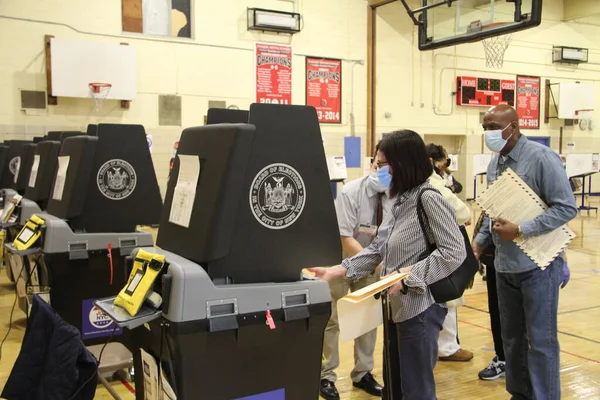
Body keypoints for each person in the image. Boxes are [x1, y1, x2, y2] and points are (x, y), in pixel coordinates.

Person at [310, 130, 466, 400]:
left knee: (415, 389)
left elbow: (454, 251)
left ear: (402, 163)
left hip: (421, 309)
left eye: (382, 164)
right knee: (396, 385)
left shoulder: (428, 198)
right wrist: (338, 270)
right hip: (397, 308)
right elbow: (377, 248)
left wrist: (408, 278)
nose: (378, 169)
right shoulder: (400, 199)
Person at [473, 105, 577, 400]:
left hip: (538, 266)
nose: (488, 133)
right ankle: (519, 394)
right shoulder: (495, 163)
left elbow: (567, 207)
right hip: (505, 266)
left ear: (513, 126)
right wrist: (479, 242)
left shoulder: (542, 159)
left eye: (493, 126)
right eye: (484, 127)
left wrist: (521, 229)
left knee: (541, 341)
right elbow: (494, 211)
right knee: (513, 340)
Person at [320, 143, 391, 400]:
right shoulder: (352, 191)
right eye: (380, 165)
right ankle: (325, 376)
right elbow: (345, 237)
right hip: (341, 260)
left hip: (373, 262)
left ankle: (363, 373)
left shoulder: (397, 194)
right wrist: (373, 262)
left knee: (366, 321)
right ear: (372, 164)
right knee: (332, 321)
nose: (384, 172)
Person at [425, 143, 474, 363]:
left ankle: (438, 345)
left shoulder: (427, 181)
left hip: (424, 252)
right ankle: (448, 347)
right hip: (441, 250)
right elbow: (462, 212)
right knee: (448, 297)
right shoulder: (433, 183)